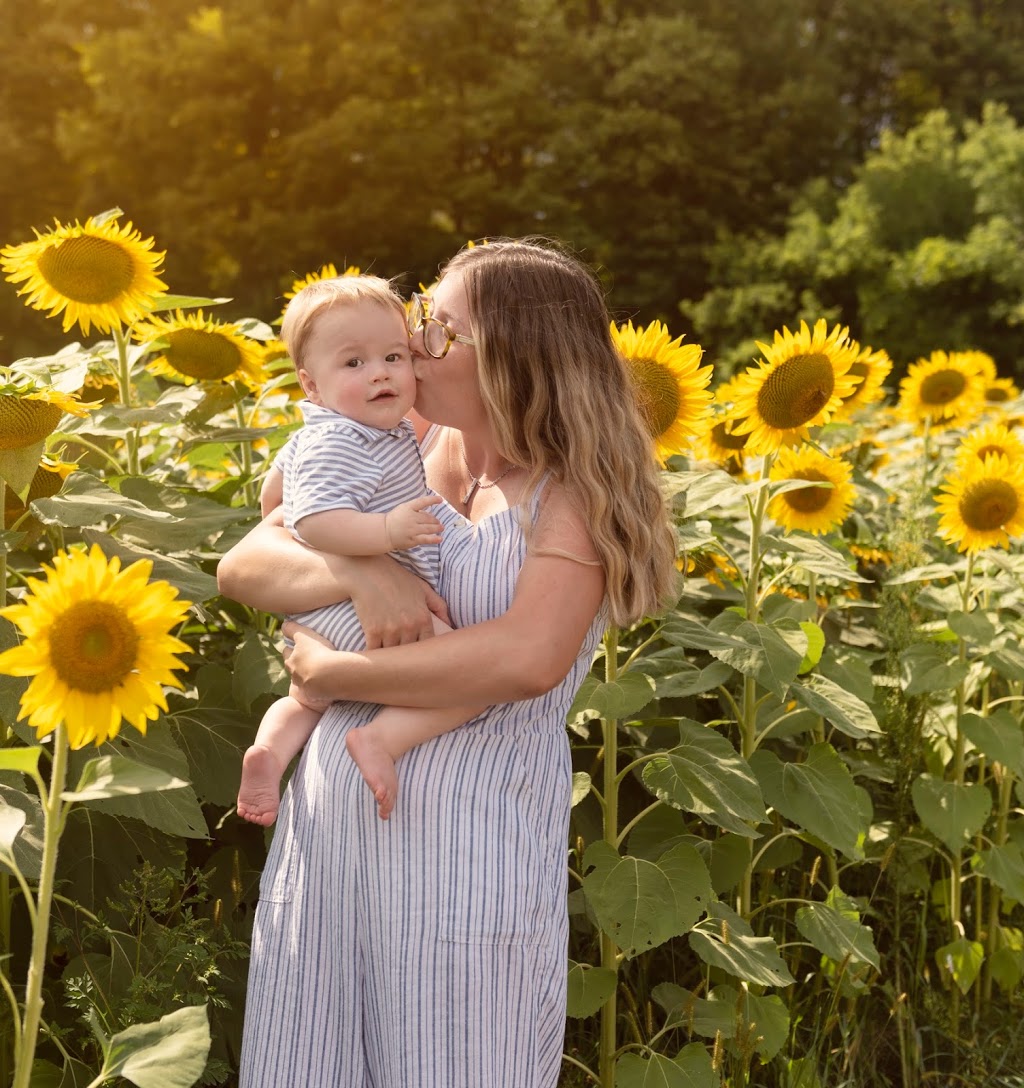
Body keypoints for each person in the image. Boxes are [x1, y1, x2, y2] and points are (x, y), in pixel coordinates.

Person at [217, 238, 678, 1088]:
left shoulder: (569, 492)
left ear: (511, 358)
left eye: (442, 328)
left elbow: (526, 658)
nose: (416, 341)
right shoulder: (397, 437)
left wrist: (333, 675)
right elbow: (245, 563)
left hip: (471, 845)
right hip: (334, 833)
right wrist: (366, 567)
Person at [236, 275, 481, 826]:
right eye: (353, 364)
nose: (379, 372)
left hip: (325, 609)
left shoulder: (326, 431)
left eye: (393, 355)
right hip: (355, 610)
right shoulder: (349, 440)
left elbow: (272, 498)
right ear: (311, 385)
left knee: (303, 702)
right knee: (468, 682)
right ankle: (381, 739)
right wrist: (386, 535)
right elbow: (315, 521)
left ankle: (269, 755)